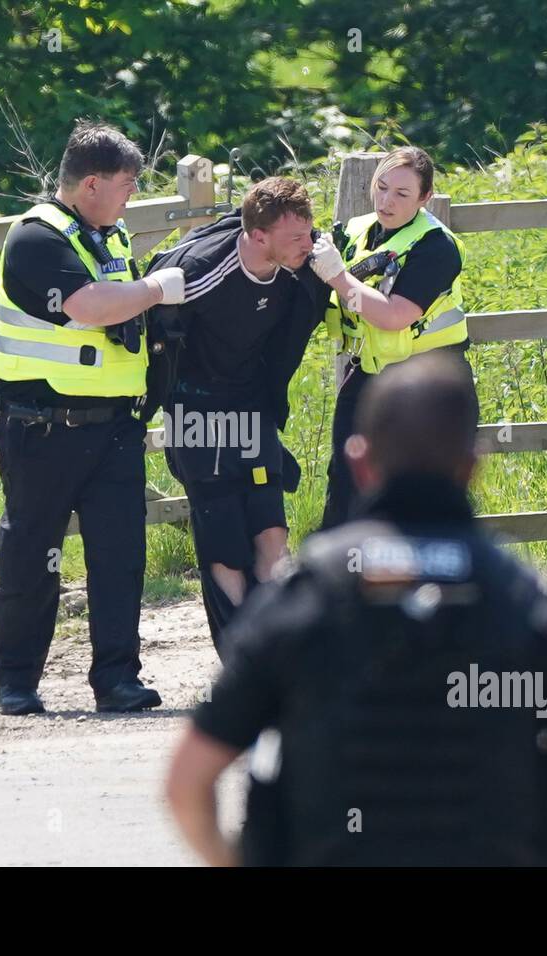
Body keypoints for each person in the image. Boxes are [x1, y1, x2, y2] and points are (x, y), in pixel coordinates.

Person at [165, 351, 547, 866]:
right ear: (472, 466)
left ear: (359, 462)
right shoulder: (521, 601)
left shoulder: (303, 597)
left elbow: (187, 783)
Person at [0, 119, 186, 716]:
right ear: (91, 183)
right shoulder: (36, 238)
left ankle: (117, 679)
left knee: (119, 558)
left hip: (115, 430)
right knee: (31, 556)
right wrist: (156, 289)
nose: (132, 196)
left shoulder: (110, 236)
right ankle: (17, 682)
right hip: (42, 427)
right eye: (127, 184)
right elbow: (91, 306)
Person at [143, 178, 326, 653]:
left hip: (251, 403)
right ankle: (241, 658)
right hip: (195, 407)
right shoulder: (199, 272)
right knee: (224, 542)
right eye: (297, 238)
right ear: (258, 236)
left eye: (309, 233)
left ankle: (280, 651)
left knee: (271, 529)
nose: (309, 245)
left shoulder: (303, 264)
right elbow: (149, 338)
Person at [308, 145, 475, 529]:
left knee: (429, 488)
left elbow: (395, 315)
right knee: (347, 482)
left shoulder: (436, 247)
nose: (387, 201)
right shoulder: (355, 231)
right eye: (381, 188)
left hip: (429, 383)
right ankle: (342, 580)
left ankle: (433, 583)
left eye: (401, 194)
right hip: (368, 375)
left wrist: (337, 275)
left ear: (425, 197)